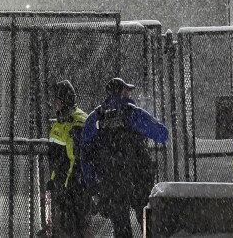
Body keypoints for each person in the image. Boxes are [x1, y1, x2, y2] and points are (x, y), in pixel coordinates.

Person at [81, 78, 168, 238]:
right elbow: (162, 134)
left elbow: (85, 154)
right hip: (137, 176)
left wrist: (92, 183)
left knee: (120, 225)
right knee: (146, 220)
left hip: (111, 180)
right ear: (122, 93)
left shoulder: (96, 118)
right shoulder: (132, 112)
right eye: (126, 91)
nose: (129, 94)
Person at [45, 80, 93, 238]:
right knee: (67, 227)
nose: (54, 105)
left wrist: (67, 185)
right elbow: (58, 157)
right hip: (64, 185)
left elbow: (75, 159)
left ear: (65, 101)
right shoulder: (61, 121)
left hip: (75, 186)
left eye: (57, 101)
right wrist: (54, 179)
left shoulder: (76, 123)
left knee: (78, 227)